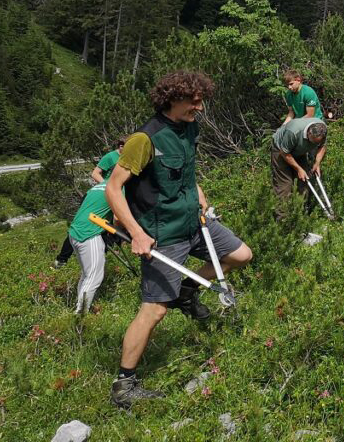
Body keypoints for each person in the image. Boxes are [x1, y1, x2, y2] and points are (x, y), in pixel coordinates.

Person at [104, 71, 253, 409]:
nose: (199, 108)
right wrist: (138, 234)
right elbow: (114, 189)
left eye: (201, 101)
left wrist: (197, 190)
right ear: (173, 99)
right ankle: (124, 384)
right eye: (194, 101)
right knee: (154, 311)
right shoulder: (144, 139)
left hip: (194, 223)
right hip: (163, 234)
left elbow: (186, 168)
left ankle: (188, 291)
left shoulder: (189, 128)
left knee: (241, 255)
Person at [53, 138, 125, 268]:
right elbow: (95, 173)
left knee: (104, 227)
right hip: (103, 194)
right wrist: (107, 186)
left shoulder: (128, 158)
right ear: (120, 146)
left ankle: (102, 254)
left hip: (115, 193)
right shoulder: (110, 157)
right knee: (83, 225)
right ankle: (62, 258)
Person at [66, 178, 114, 315]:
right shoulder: (118, 187)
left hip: (75, 232)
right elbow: (118, 218)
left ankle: (79, 307)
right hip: (88, 233)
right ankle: (80, 315)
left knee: (87, 274)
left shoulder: (99, 186)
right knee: (94, 276)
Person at [271, 116, 328, 214]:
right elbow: (284, 153)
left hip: (300, 151)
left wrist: (317, 163)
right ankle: (283, 221)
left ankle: (300, 215)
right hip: (281, 151)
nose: (314, 144)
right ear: (309, 133)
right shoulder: (293, 131)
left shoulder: (323, 129)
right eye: (313, 141)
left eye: (316, 142)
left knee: (304, 181)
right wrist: (298, 169)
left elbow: (322, 147)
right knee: (285, 186)